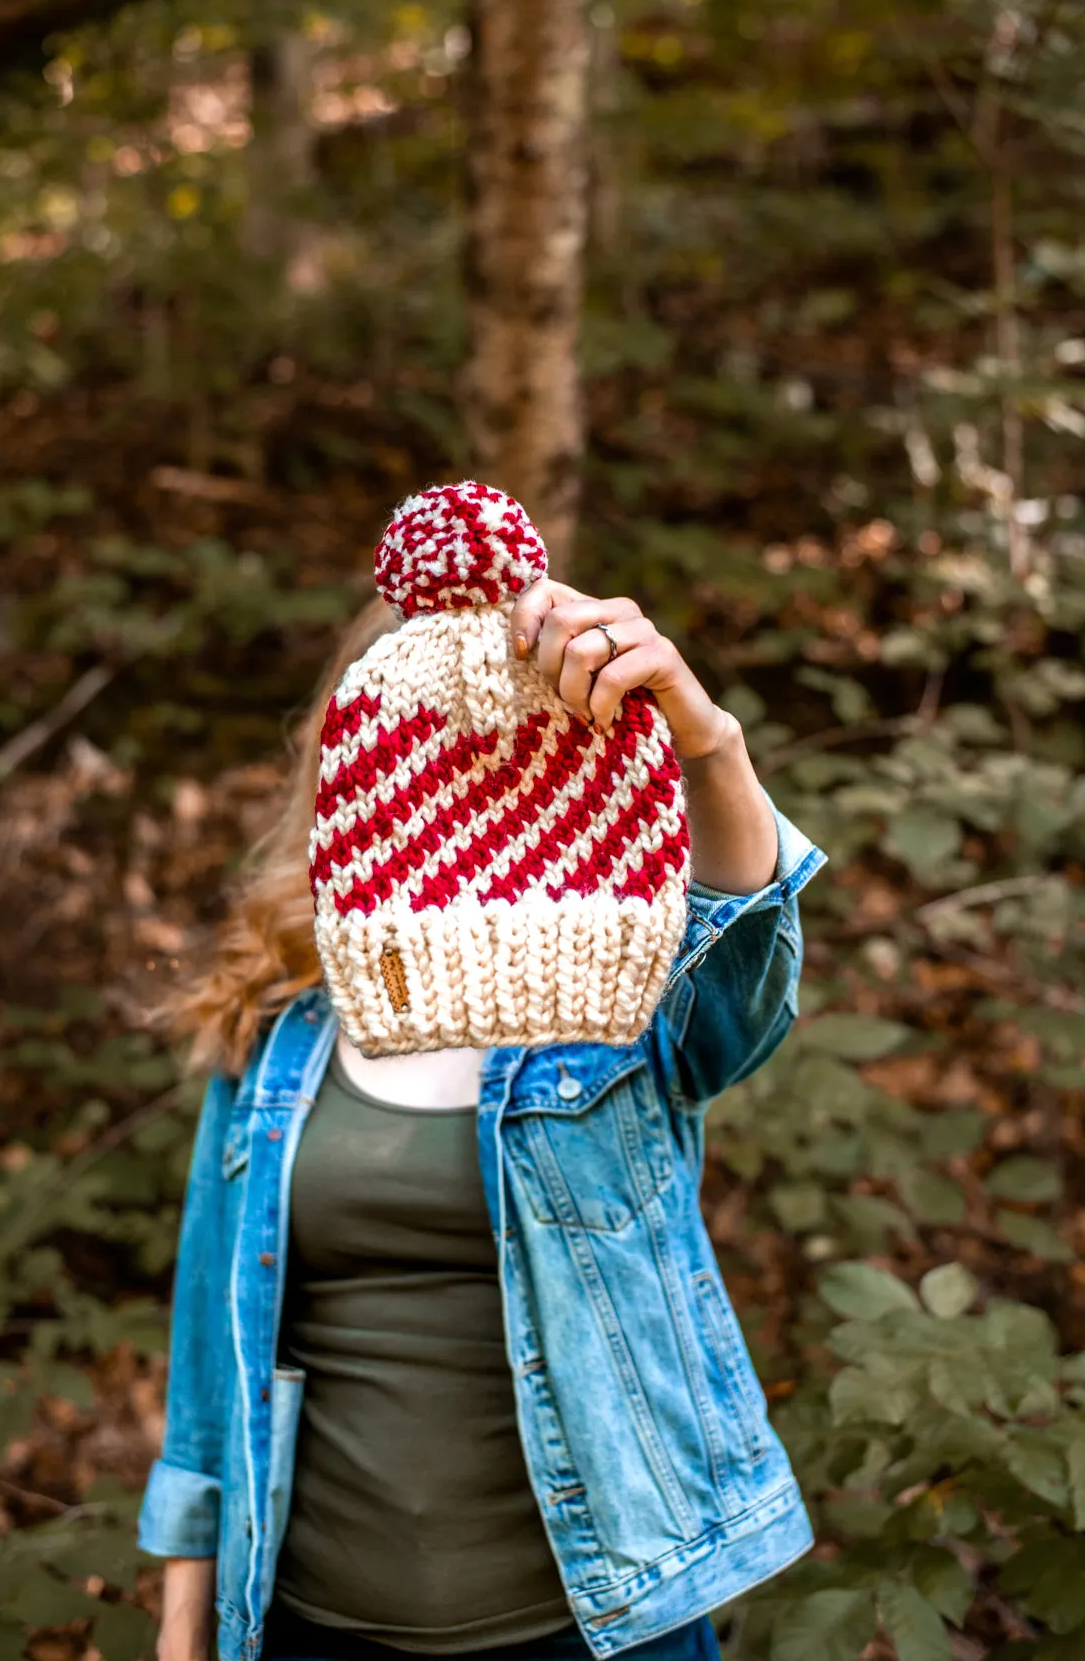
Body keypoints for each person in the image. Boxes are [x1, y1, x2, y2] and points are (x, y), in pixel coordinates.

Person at [139, 563, 828, 1661]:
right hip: (308, 1625)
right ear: (357, 755)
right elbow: (206, 1361)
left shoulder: (611, 992)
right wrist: (184, 1634)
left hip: (598, 1626)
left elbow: (741, 957)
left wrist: (709, 746)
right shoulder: (276, 1029)